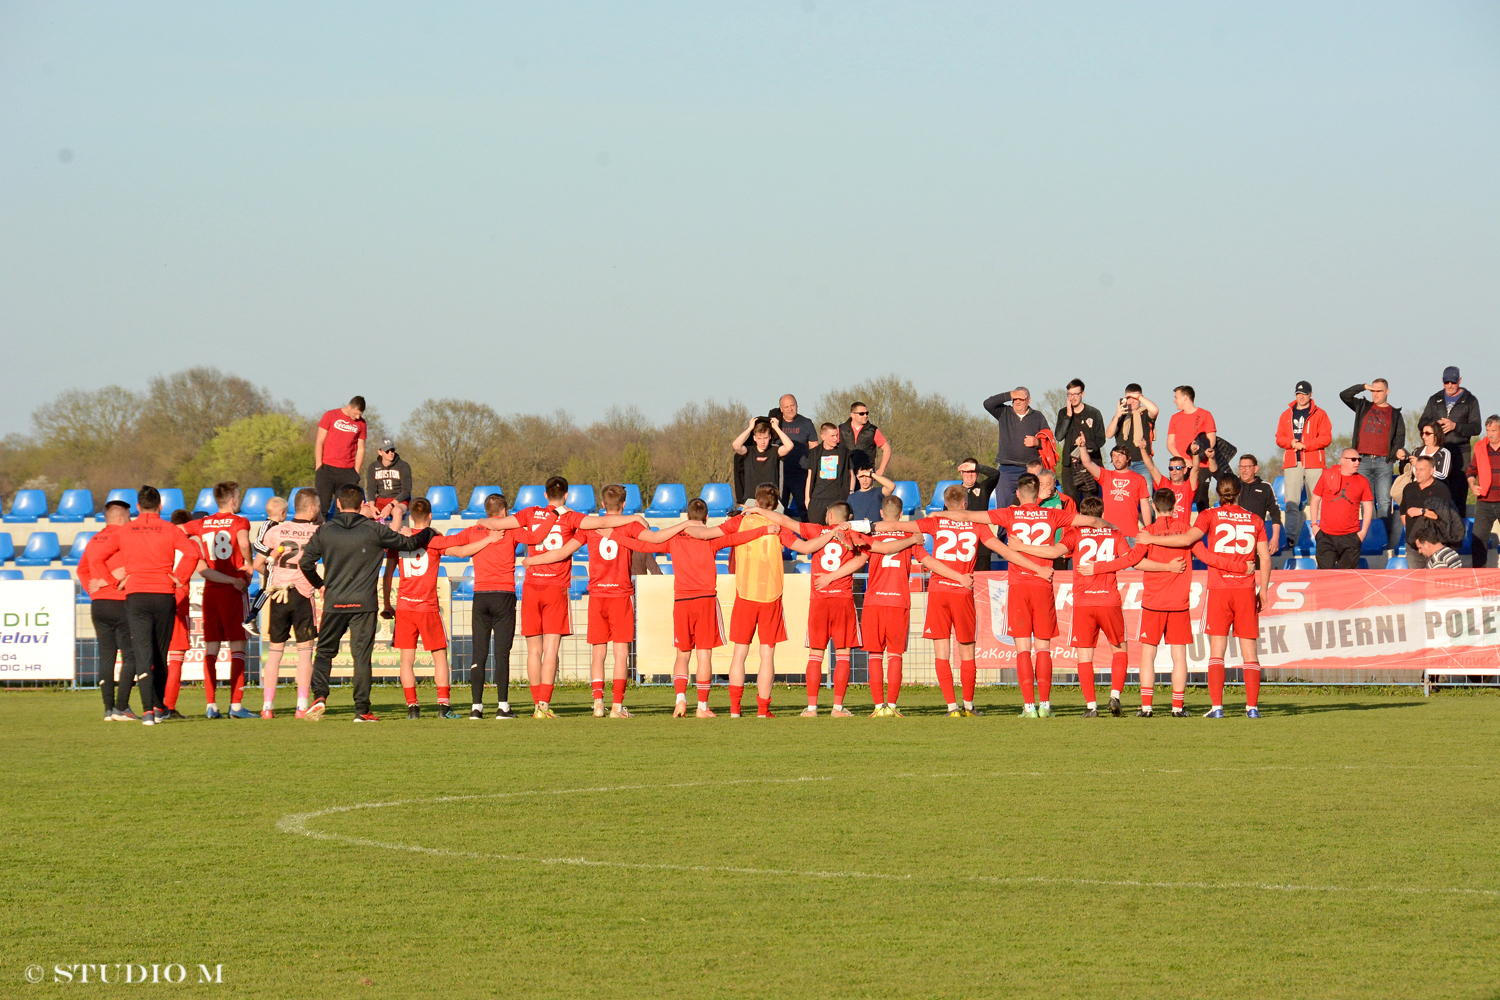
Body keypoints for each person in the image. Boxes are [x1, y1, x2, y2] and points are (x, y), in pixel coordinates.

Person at [471, 477, 645, 718]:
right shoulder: (572, 517)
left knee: (534, 650)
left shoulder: (530, 513)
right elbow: (603, 521)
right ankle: (544, 703)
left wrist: (482, 521)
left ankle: (536, 707)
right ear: (566, 496)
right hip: (557, 588)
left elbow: (494, 523)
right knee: (551, 650)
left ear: (545, 495)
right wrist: (634, 518)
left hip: (532, 586)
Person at [875, 483, 1054, 716]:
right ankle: (968, 705)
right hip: (962, 591)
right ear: (964, 504)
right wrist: (1036, 569)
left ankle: (951, 707)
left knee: (942, 652)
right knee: (967, 652)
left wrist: (864, 526)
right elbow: (1006, 552)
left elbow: (893, 524)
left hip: (939, 591)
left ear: (944, 503)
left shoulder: (935, 522)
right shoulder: (977, 525)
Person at [943, 474, 1112, 716]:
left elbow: (966, 515)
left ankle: (1028, 707)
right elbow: (1093, 522)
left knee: (1022, 648)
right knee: (1043, 648)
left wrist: (937, 515)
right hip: (1042, 583)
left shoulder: (1010, 513)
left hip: (1019, 585)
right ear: (1038, 495)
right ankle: (1045, 706)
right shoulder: (1053, 514)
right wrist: (1112, 528)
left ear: (1019, 494)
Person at [1006, 495, 1188, 717]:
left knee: (1085, 655)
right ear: (1102, 515)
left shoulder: (1075, 532)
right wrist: (1166, 567)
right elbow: (1133, 560)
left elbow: (1053, 553)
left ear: (1082, 517)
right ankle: (1115, 695)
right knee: (1119, 649)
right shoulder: (1113, 532)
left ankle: (1091, 706)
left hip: (1083, 601)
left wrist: (1021, 546)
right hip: (1109, 598)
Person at [531, 485, 690, 718]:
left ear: (603, 505)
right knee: (621, 653)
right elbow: (656, 539)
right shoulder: (630, 525)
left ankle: (597, 703)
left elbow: (564, 552)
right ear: (624, 505)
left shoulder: (591, 525)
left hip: (597, 595)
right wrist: (684, 524)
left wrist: (532, 562)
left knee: (598, 653)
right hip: (621, 595)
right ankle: (616, 706)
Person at [616, 500, 779, 717]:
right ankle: (702, 706)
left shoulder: (674, 538)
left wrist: (613, 536)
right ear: (707, 517)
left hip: (682, 601)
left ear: (687, 516)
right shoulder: (710, 537)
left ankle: (680, 699)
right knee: (704, 655)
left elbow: (643, 546)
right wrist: (764, 529)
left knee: (682, 655)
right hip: (706, 599)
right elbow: (735, 538)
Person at [298, 484, 438, 722]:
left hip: (335, 602)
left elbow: (305, 563)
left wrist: (321, 585)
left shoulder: (325, 530)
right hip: (364, 604)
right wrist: (429, 532)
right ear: (362, 504)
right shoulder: (373, 530)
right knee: (361, 656)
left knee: (324, 653)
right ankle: (362, 710)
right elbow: (409, 544)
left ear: (339, 504)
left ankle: (320, 697)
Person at [694, 488, 837, 717]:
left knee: (739, 654)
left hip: (745, 594)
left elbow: (707, 534)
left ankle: (734, 709)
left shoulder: (741, 522)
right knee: (767, 655)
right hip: (771, 595)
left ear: (756, 502)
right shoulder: (778, 527)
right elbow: (807, 547)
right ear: (776, 505)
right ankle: (763, 710)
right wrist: (832, 533)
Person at [1149, 477, 1273, 718]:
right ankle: (1252, 707)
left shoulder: (1209, 515)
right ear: (1240, 492)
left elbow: (1187, 540)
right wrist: (1264, 590)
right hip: (1245, 589)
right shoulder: (1255, 519)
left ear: (1218, 492)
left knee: (1218, 650)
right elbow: (1265, 558)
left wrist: (1152, 539)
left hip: (1220, 588)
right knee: (1250, 650)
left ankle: (1217, 707)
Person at [87, 486, 203, 726]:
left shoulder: (126, 530)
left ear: (138, 507)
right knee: (161, 654)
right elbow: (192, 553)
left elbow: (97, 559)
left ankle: (147, 711)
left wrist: (113, 582)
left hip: (136, 595)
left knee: (142, 653)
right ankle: (159, 707)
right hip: (163, 594)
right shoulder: (170, 529)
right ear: (160, 506)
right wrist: (179, 577)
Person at [381, 498, 499, 719]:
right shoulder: (434, 541)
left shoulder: (398, 541)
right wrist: (489, 540)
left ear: (411, 517)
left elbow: (387, 574)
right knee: (440, 657)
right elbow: (463, 553)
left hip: (406, 608)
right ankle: (443, 707)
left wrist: (388, 603)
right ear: (431, 516)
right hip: (428, 608)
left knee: (406, 660)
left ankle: (412, 708)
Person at [861, 493, 975, 717]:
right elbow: (930, 562)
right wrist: (958, 576)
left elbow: (859, 559)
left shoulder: (870, 534)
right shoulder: (910, 536)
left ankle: (878, 707)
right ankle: (892, 706)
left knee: (874, 655)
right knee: (895, 655)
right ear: (902, 514)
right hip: (898, 601)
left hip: (874, 601)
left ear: (882, 514)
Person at [445, 494, 556, 719]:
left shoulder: (473, 531)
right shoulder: (511, 531)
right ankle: (502, 706)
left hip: (480, 596)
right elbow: (535, 537)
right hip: (503, 595)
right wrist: (553, 515)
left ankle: (476, 707)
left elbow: (451, 546)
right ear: (504, 512)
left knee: (479, 652)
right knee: (502, 653)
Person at [183, 482, 254, 718]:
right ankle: (235, 706)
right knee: (238, 646)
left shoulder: (202, 523)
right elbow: (243, 543)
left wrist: (195, 551)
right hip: (234, 588)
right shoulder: (239, 521)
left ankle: (211, 705)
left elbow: (178, 531)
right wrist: (249, 565)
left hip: (211, 590)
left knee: (211, 648)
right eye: (239, 494)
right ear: (233, 500)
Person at [251, 489, 322, 718]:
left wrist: (273, 576)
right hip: (302, 594)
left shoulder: (277, 530)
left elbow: (258, 563)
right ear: (311, 508)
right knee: (304, 652)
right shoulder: (317, 531)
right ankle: (301, 706)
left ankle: (267, 707)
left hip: (279, 595)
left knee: (275, 652)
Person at [80, 500, 133, 720]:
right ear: (120, 518)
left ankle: (108, 709)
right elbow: (135, 563)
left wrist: (94, 590)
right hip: (120, 601)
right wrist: (112, 582)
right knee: (131, 656)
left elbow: (82, 569)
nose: (131, 521)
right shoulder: (125, 537)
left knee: (106, 657)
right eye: (129, 517)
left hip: (98, 605)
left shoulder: (94, 539)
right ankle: (122, 706)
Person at [1340, 380, 1404, 544]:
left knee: (1383, 501)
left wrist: (1392, 457)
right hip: (1363, 462)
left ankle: (1384, 539)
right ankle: (1371, 537)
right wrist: (1363, 387)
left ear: (1387, 392)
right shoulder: (1363, 406)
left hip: (1384, 463)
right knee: (1366, 501)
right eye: (1373, 391)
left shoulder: (1395, 414)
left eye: (1379, 391)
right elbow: (1344, 395)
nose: (1375, 394)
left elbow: (1399, 439)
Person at [1419, 367, 1482, 512]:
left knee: (1458, 495)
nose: (1450, 385)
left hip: (1460, 453)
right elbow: (1422, 423)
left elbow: (1476, 427)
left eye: (1453, 382)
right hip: (1438, 452)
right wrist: (1434, 427)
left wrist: (1456, 426)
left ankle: (1458, 530)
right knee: (1436, 493)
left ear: (1459, 381)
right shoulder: (1434, 400)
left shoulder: (1470, 401)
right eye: (1446, 382)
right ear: (1442, 381)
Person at [1276, 381, 1332, 541]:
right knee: (1292, 503)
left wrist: (1306, 445)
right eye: (1298, 394)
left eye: (1305, 393)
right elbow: (1279, 437)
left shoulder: (1320, 414)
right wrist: (1291, 443)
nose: (1301, 396)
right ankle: (1290, 538)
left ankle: (1322, 535)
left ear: (1311, 394)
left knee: (1319, 500)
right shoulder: (1286, 414)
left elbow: (1326, 438)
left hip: (1314, 462)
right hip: (1293, 462)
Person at [983, 387, 1050, 508]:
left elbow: (1049, 442)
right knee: (1004, 508)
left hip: (1030, 469)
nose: (1017, 402)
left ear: (1028, 400)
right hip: (1006, 469)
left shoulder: (1038, 417)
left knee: (1029, 506)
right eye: (1014, 399)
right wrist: (1009, 394)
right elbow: (987, 404)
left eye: (1021, 398)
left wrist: (1038, 442)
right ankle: (1003, 528)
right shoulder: (1004, 412)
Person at [1308, 449, 1374, 569]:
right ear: (1342, 460)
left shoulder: (1363, 481)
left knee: (1347, 580)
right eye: (1353, 459)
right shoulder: (1327, 476)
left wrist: (1363, 532)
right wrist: (1314, 526)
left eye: (1359, 459)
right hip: (1326, 536)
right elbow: (1315, 500)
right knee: (1324, 578)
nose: (1357, 462)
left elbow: (1368, 507)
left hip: (1351, 537)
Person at [1398, 454, 1465, 569]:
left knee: (1435, 582)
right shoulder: (1409, 488)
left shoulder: (1441, 489)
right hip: (1414, 545)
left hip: (1434, 545)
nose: (1418, 472)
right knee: (1416, 582)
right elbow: (1403, 512)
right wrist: (1412, 531)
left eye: (1422, 470)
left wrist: (1422, 511)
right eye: (1416, 469)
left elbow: (1444, 516)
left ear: (1432, 470)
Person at [1077, 443, 1152, 542]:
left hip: (1131, 535)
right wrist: (1082, 447)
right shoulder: (1106, 476)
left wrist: (1148, 529)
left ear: (1128, 458)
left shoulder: (1139, 479)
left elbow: (1145, 506)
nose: (1116, 458)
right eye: (1114, 456)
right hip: (1109, 534)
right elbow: (1087, 463)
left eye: (1120, 455)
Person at [1166, 386, 1217, 513]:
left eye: (1176, 397)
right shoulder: (1175, 418)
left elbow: (1212, 440)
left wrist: (1197, 456)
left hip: (1202, 466)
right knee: (1177, 500)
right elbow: (1170, 444)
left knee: (1201, 500)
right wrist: (1183, 460)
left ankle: (1204, 531)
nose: (1174, 401)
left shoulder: (1205, 415)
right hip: (1181, 467)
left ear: (1185, 397)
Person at [1137, 422, 1201, 523]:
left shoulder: (1188, 487)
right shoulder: (1164, 484)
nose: (1174, 471)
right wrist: (1143, 450)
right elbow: (1151, 467)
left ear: (1185, 470)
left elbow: (1196, 469)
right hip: (1165, 533)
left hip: (1182, 535)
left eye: (1178, 468)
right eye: (1171, 468)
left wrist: (1195, 453)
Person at [314, 396, 368, 516]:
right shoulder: (330, 415)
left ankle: (341, 533)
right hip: (327, 469)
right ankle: (321, 533)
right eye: (356, 413)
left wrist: (356, 472)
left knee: (345, 510)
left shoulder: (361, 423)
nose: (358, 417)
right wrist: (319, 465)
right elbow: (319, 441)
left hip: (347, 472)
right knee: (322, 507)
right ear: (349, 407)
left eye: (360, 414)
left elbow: (361, 449)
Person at [1055, 379, 1106, 502]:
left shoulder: (1094, 413)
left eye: (1075, 394)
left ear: (1082, 394)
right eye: (1069, 394)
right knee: (1071, 502)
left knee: (1091, 503)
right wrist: (1068, 415)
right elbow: (1059, 436)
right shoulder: (1063, 413)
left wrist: (1085, 445)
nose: (1072, 398)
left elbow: (1101, 439)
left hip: (1090, 463)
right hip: (1069, 465)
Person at [243, 496, 287, 633]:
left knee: (272, 587)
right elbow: (257, 544)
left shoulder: (276, 527)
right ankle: (251, 617)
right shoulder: (268, 525)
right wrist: (272, 553)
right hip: (270, 562)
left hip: (272, 565)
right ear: (281, 512)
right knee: (267, 589)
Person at [771, 395, 818, 519]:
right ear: (781, 409)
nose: (790, 409)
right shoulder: (775, 424)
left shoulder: (806, 423)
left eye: (792, 405)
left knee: (804, 509)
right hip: (780, 474)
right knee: (779, 509)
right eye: (786, 407)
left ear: (797, 405)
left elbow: (815, 449)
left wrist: (813, 471)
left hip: (801, 474)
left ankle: (809, 536)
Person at [801, 422, 854, 526]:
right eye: (832, 436)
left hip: (838, 498)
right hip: (818, 499)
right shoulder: (814, 453)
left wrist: (850, 493)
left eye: (836, 435)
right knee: (817, 531)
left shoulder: (843, 452)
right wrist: (807, 499)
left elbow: (851, 475)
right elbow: (810, 476)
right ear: (823, 437)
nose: (835, 439)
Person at [732, 416, 793, 506]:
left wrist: (776, 428)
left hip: (771, 499)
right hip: (751, 499)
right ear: (754, 438)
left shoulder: (774, 451)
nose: (762, 442)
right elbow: (736, 445)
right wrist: (750, 428)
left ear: (769, 437)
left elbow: (789, 446)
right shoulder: (749, 451)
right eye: (759, 438)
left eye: (765, 438)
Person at [1465, 415, 1500, 569]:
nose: (1490, 433)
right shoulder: (1480, 448)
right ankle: (1478, 577)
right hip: (1484, 502)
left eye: (1493, 430)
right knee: (1478, 541)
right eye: (1488, 430)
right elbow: (1471, 472)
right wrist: (1473, 486)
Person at [1234, 455, 1284, 557]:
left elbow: (1275, 513)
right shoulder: (1233, 485)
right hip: (1234, 537)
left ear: (1255, 468)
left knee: (1256, 570)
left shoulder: (1265, 487)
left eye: (1247, 467)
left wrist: (1275, 538)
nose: (1244, 470)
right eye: (1241, 467)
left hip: (1256, 538)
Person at [1108, 385, 1159, 480]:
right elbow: (1109, 434)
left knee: (1145, 494)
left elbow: (1155, 410)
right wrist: (1117, 415)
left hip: (1143, 463)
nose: (1131, 401)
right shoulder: (1121, 416)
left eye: (1134, 398)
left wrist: (1138, 396)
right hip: (1124, 464)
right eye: (1128, 398)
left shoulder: (1146, 414)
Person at [365, 438, 413, 524]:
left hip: (398, 501)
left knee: (397, 511)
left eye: (392, 450)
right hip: (380, 500)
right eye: (387, 451)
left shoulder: (403, 466)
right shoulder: (373, 467)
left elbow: (406, 491)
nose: (390, 453)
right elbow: (371, 489)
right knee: (362, 512)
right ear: (380, 452)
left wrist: (390, 505)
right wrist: (372, 506)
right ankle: (366, 536)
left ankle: (394, 536)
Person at [838, 401, 891, 475]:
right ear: (852, 415)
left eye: (867, 413)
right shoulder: (841, 429)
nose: (865, 416)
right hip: (845, 473)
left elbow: (887, 448)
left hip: (865, 474)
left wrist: (881, 469)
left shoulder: (873, 430)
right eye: (861, 414)